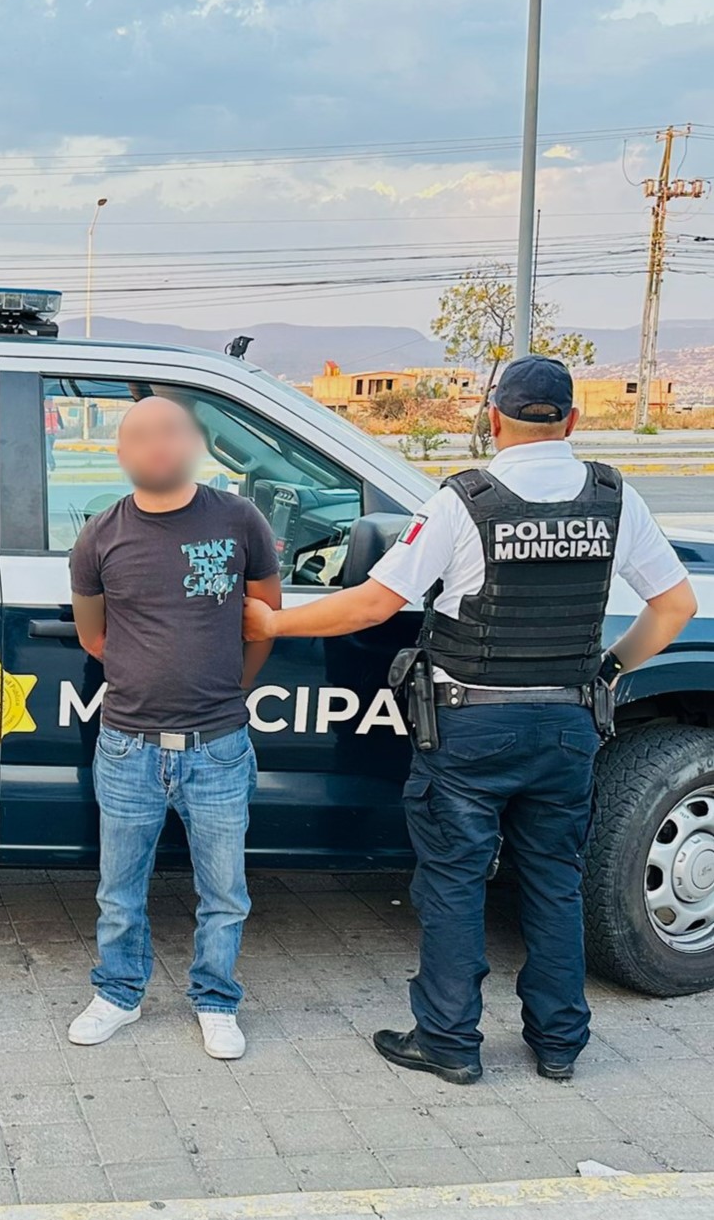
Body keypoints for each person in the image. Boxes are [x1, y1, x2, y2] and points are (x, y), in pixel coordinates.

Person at [243, 356, 697, 1084]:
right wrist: (609, 668)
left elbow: (373, 604)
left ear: (493, 419)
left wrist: (272, 621)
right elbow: (676, 606)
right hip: (567, 724)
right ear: (572, 421)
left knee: (454, 881)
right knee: (554, 880)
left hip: (471, 730)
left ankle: (449, 1040)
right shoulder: (615, 497)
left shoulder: (464, 501)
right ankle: (559, 1043)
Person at [66, 395, 282, 1059]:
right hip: (126, 746)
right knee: (118, 891)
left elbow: (264, 622)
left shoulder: (239, 519)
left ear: (192, 445)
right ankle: (118, 994)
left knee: (225, 893)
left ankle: (216, 1001)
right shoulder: (99, 535)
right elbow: (94, 636)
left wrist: (226, 690)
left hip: (219, 746)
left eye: (170, 433)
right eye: (141, 436)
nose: (157, 446)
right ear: (122, 453)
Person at [45, 398, 65, 470]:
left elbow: (59, 418)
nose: (50, 402)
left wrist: (62, 427)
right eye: (48, 401)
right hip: (45, 433)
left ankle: (47, 463)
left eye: (51, 401)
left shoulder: (55, 408)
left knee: (49, 450)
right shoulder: (42, 409)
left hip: (53, 433)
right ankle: (51, 464)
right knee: (47, 450)